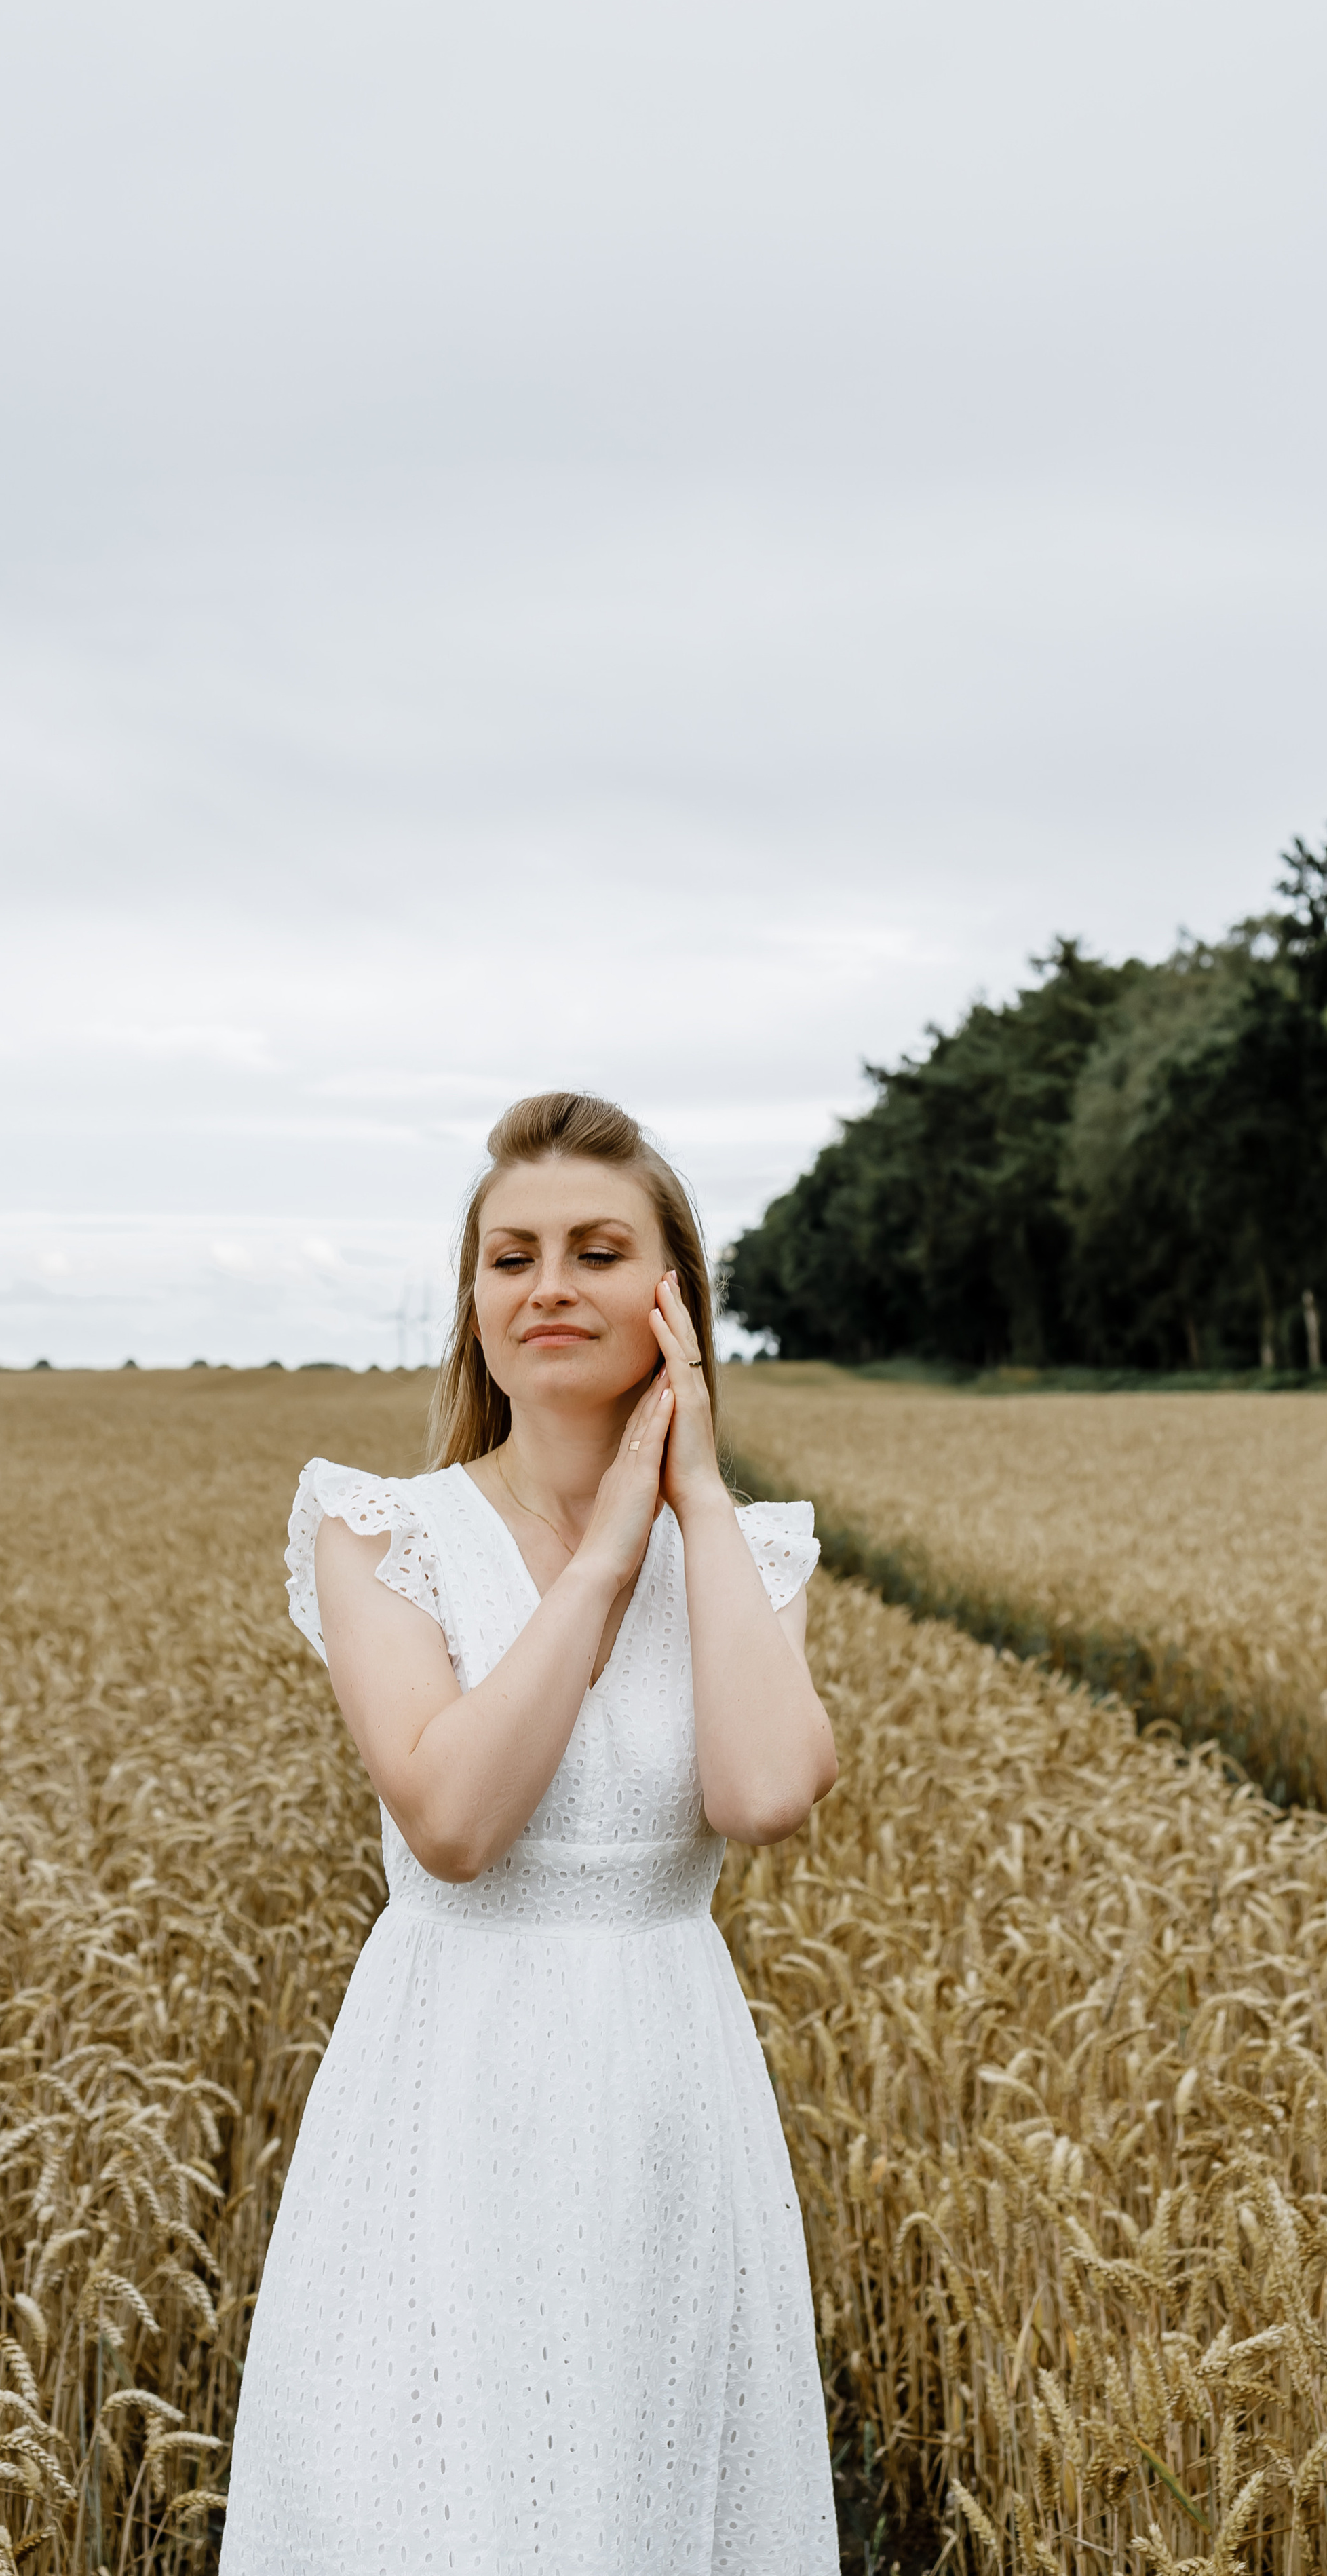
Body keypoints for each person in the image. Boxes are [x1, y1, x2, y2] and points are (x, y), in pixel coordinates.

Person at [221, 1091, 841, 2574]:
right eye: (510, 1258)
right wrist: (607, 1554)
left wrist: (692, 1500)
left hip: (667, 2095)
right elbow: (454, 1822)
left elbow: (762, 1793)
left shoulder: (749, 1555)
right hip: (447, 2092)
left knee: (650, 2495)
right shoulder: (379, 1533)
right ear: (474, 1305)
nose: (548, 1286)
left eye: (596, 1251)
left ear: (673, 1297)